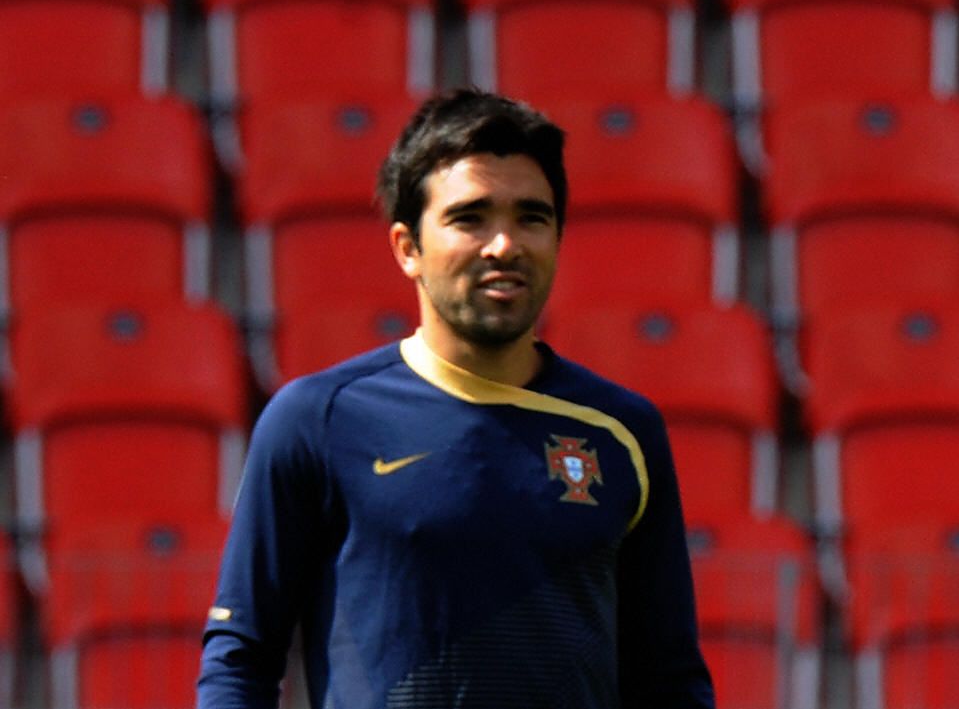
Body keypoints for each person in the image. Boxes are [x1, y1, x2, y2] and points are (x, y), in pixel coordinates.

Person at [198, 88, 716, 708]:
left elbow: (670, 675)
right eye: (470, 217)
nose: (505, 244)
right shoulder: (318, 420)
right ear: (407, 248)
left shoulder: (621, 431)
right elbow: (240, 657)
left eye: (532, 217)